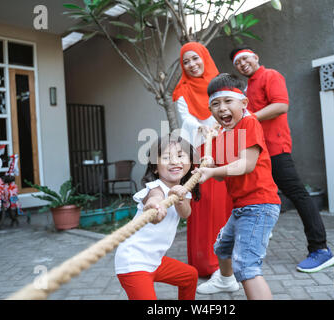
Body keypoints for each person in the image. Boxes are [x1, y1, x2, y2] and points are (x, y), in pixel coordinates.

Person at [230, 46, 334, 273]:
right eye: (237, 63)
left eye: (245, 58)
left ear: (256, 57)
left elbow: (281, 105)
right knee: (261, 194)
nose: (242, 64)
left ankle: (321, 250)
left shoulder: (270, 75)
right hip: (258, 151)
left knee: (298, 194)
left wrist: (248, 118)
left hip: (275, 147)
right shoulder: (247, 88)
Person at [193, 73, 280, 299]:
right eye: (215, 104)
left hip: (259, 204)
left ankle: (233, 278)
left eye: (227, 101)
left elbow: (247, 164)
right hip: (242, 206)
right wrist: (209, 164)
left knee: (246, 266)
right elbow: (223, 177)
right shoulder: (223, 134)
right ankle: (225, 281)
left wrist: (212, 171)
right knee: (222, 247)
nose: (222, 108)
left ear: (243, 103)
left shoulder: (249, 122)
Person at [172, 41, 233, 277]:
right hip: (200, 154)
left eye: (195, 58)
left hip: (226, 152)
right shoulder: (182, 91)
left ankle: (227, 262)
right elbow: (186, 120)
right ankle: (204, 262)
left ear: (204, 58)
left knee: (225, 204)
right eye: (186, 61)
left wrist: (222, 124)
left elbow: (234, 110)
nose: (192, 64)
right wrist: (206, 128)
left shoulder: (222, 84)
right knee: (202, 204)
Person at [114, 134, 199, 300]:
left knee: (190, 276)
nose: (174, 161)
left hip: (155, 260)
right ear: (154, 168)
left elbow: (186, 213)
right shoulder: (154, 187)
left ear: (190, 162)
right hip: (134, 262)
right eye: (166, 157)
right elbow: (155, 199)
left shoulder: (183, 190)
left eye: (180, 156)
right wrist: (155, 207)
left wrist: (180, 198)